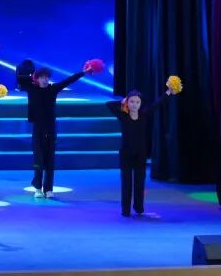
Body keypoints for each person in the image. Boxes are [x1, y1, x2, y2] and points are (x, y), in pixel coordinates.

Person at [26, 64, 96, 198]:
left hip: (51, 128)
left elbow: (68, 80)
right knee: (38, 160)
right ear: (37, 79)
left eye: (47, 77)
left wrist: (83, 72)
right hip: (38, 129)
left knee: (50, 161)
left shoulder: (53, 89)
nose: (45, 80)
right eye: (42, 77)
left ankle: (48, 189)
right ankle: (38, 188)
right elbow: (21, 78)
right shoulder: (32, 89)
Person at [105, 86, 176, 217]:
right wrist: (122, 101)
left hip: (140, 154)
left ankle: (138, 207)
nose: (134, 104)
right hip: (126, 154)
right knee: (126, 182)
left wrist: (168, 92)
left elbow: (157, 104)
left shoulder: (144, 115)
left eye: (137, 102)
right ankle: (125, 209)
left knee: (139, 182)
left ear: (140, 103)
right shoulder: (123, 115)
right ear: (127, 103)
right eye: (132, 101)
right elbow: (108, 104)